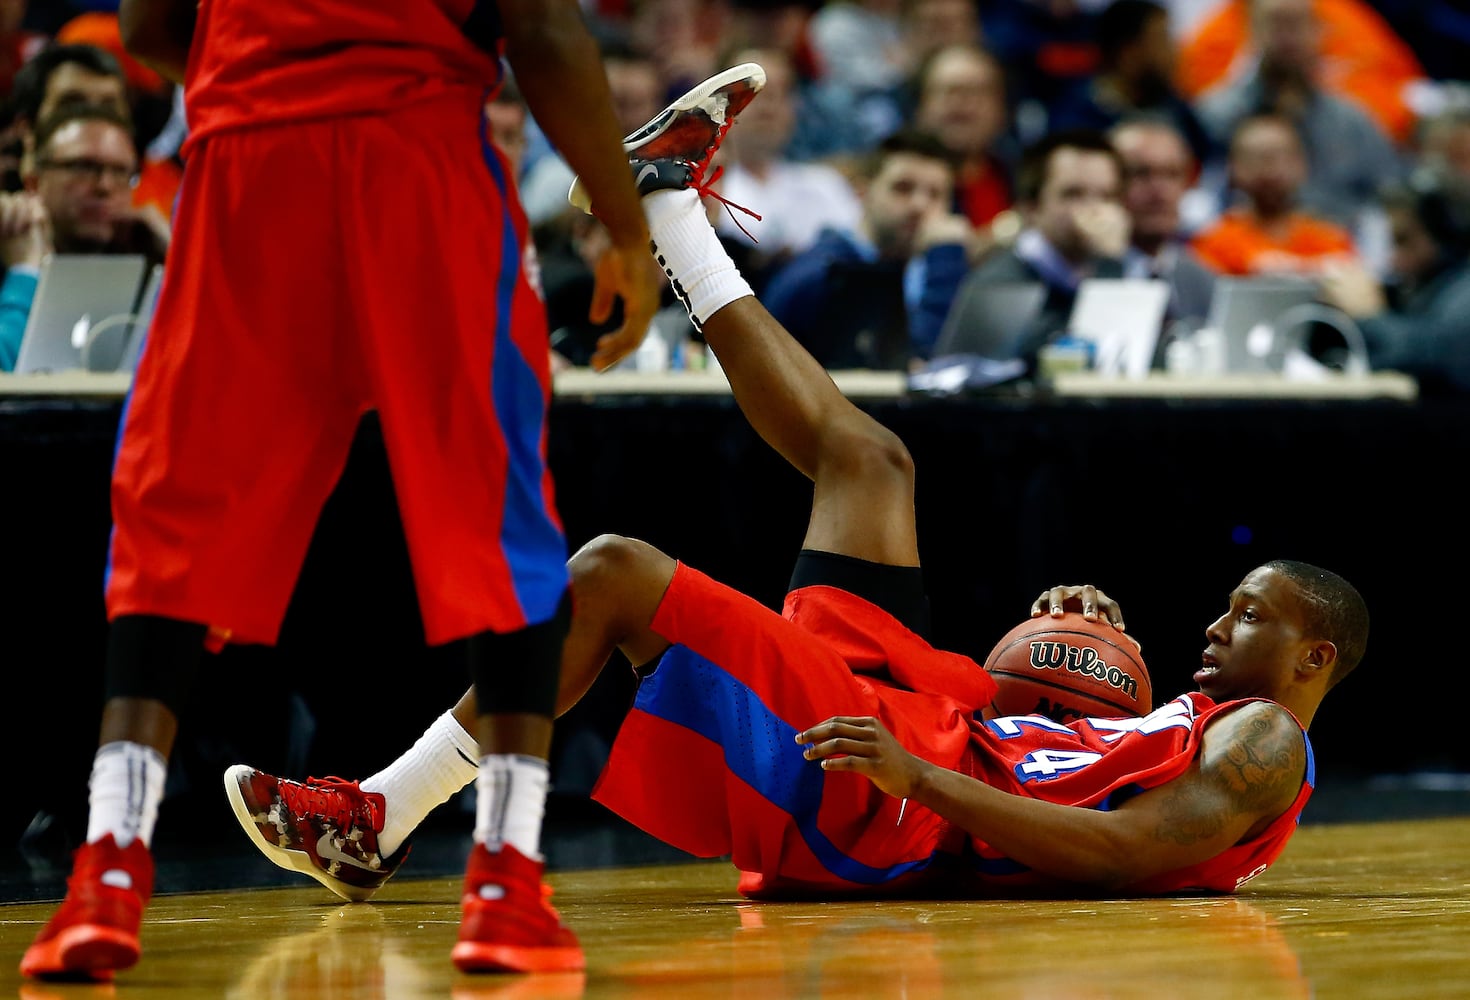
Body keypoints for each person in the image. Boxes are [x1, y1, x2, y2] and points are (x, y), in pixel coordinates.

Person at [221, 94, 1370, 908]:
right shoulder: (1203, 723)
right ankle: (673, 210)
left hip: (902, 805)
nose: (1217, 626)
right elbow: (1067, 760)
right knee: (874, 464)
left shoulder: (1264, 740)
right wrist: (1069, 653)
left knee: (616, 572)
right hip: (936, 733)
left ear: (1315, 658)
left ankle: (377, 816)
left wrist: (919, 774)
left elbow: (1121, 856)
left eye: (1248, 614)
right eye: (1228, 607)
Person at [19, 0, 668, 983]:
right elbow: (540, 29)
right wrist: (624, 223)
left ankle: (104, 868)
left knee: (173, 507)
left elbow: (152, 25)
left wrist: (273, 70)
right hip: (415, 151)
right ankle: (504, 880)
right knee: (501, 522)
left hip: (245, 156)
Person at [760, 128, 979, 369]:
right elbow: (915, 367)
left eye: (936, 194)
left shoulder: (922, 270)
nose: (920, 205)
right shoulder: (823, 275)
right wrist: (945, 261)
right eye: (903, 188)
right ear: (863, 192)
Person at [936, 128, 1129, 372]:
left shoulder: (1120, 265)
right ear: (1031, 208)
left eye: (1107, 196)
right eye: (1073, 194)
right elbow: (1067, 358)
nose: (1095, 210)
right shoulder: (1001, 282)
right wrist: (1110, 262)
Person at [0, 101, 163, 371]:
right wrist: (24, 273)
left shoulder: (151, 265)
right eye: (84, 167)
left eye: (122, 172)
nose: (104, 186)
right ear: (34, 181)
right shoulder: (8, 249)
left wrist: (177, 261)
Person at [1318, 168, 1470, 395]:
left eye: (1404, 241)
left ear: (1449, 235)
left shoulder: (1463, 289)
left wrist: (1369, 315)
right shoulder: (1424, 286)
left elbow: (1444, 359)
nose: (1393, 258)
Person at [1190, 112, 1359, 278]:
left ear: (1302, 163)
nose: (1269, 168)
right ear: (1233, 167)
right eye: (1255, 157)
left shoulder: (1330, 239)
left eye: (1280, 156)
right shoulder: (1214, 243)